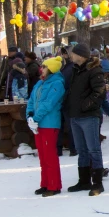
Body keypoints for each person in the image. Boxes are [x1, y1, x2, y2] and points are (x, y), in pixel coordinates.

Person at [65, 43, 106, 196]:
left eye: (73, 53)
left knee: (93, 149)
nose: (71, 56)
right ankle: (83, 181)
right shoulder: (76, 69)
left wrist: (85, 105)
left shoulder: (94, 70)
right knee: (81, 150)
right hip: (75, 115)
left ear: (81, 55)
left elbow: (100, 91)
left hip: (89, 116)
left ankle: (97, 183)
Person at [27, 56, 66, 197]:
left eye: (44, 67)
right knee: (42, 156)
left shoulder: (57, 83)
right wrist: (29, 115)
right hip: (38, 124)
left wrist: (35, 118)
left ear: (50, 69)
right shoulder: (40, 83)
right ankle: (45, 183)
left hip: (49, 123)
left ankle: (54, 185)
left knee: (50, 156)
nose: (41, 69)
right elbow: (31, 100)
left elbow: (48, 104)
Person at [57, 46, 77, 157]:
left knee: (68, 126)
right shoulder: (68, 67)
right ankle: (72, 148)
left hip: (66, 99)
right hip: (66, 100)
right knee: (68, 126)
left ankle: (71, 148)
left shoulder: (69, 68)